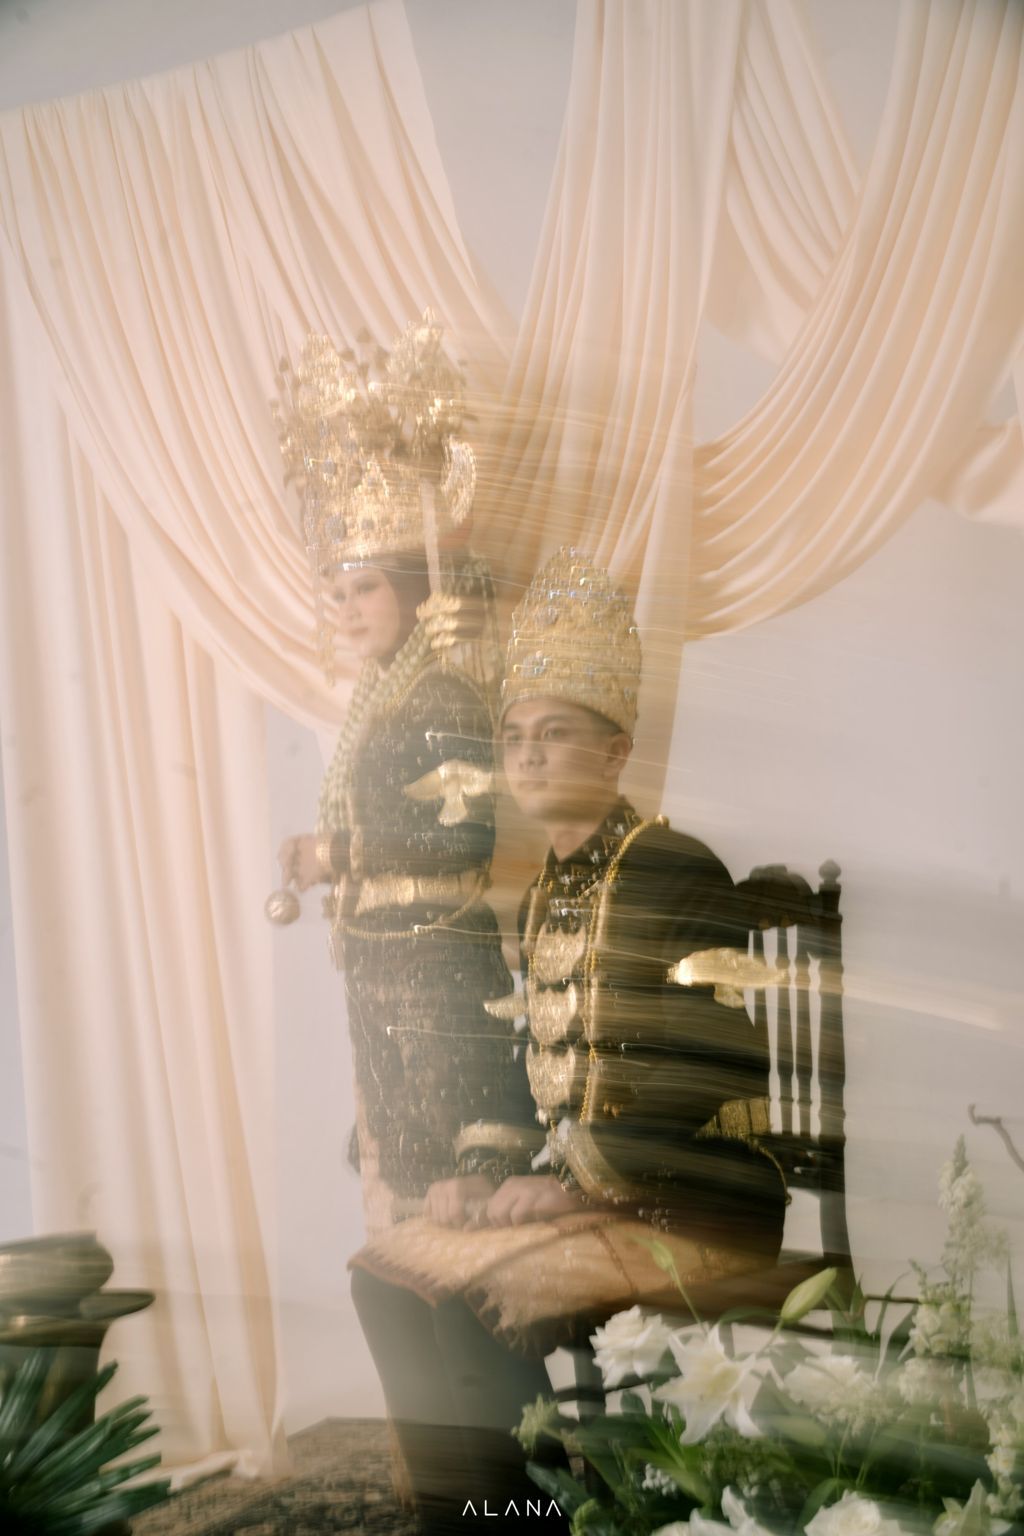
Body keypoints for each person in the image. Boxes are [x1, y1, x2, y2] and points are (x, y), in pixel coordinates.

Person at [349, 548, 787, 1533]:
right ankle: (478, 1516)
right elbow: (534, 1068)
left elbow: (718, 1061)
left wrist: (580, 1182)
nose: (528, 756)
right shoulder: (545, 892)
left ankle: (534, 1517)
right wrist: (481, 1170)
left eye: (555, 734)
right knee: (389, 1282)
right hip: (598, 1196)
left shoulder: (674, 867)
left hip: (698, 1197)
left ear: (616, 752)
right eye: (514, 738)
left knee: (473, 1298)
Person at [270, 317, 534, 1236]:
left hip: (437, 969)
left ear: (415, 589)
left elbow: (464, 837)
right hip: (381, 965)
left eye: (367, 589)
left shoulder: (446, 692)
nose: (347, 612)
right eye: (337, 593)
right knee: (409, 1208)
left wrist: (337, 852)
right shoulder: (382, 699)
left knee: (456, 1200)